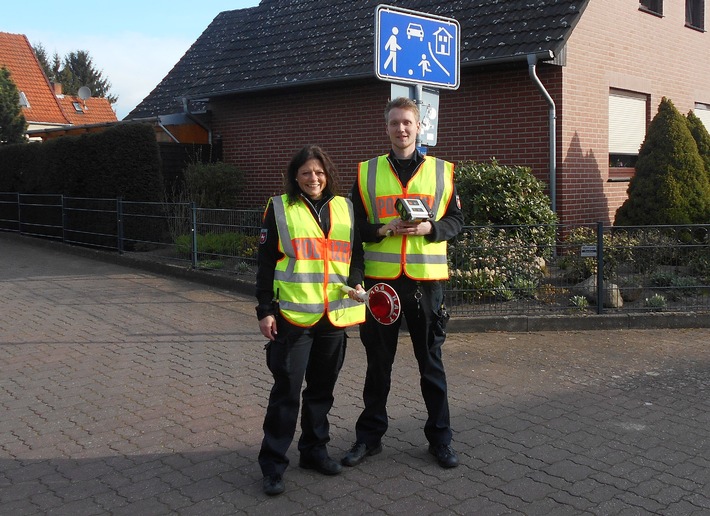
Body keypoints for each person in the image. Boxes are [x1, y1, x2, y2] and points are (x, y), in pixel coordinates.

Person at [342, 97, 464, 469]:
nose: (401, 129)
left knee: (431, 363)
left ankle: (440, 440)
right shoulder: (366, 173)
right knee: (378, 364)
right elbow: (354, 228)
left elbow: (458, 221)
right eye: (395, 123)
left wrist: (431, 228)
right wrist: (382, 229)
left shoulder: (443, 171)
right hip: (382, 285)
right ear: (387, 128)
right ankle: (369, 438)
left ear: (418, 127)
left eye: (407, 123)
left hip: (426, 283)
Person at [255, 145, 366, 496]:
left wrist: (358, 281)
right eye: (305, 173)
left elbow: (355, 257)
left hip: (335, 315)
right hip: (293, 317)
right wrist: (265, 310)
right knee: (286, 392)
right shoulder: (279, 209)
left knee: (321, 391)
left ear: (328, 174)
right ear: (295, 176)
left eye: (318, 172)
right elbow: (265, 264)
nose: (313, 178)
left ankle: (314, 452)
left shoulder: (345, 208)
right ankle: (273, 465)